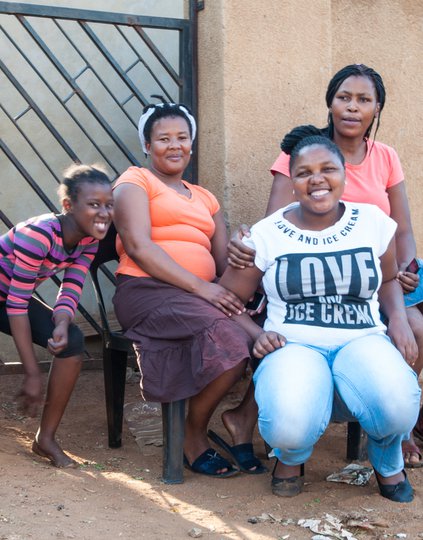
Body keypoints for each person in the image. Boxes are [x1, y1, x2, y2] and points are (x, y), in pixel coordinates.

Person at [228, 64, 423, 468]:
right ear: (330, 103)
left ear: (377, 108)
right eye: (343, 97)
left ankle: (394, 431)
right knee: (302, 327)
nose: (352, 108)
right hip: (310, 272)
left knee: (415, 326)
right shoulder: (303, 150)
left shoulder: (385, 157)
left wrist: (406, 270)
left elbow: (401, 228)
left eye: (363, 100)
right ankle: (255, 418)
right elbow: (276, 225)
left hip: (375, 274)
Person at [112, 102, 265, 478]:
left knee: (268, 333)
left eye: (182, 137)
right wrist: (204, 288)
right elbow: (138, 246)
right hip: (147, 291)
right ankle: (191, 435)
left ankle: (231, 418)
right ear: (147, 146)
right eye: (163, 138)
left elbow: (224, 266)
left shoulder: (206, 198)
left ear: (192, 145)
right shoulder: (134, 181)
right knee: (232, 338)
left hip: (201, 296)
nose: (175, 145)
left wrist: (244, 249)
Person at [0, 163, 114, 468]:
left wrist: (62, 322)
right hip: (10, 300)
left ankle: (45, 439)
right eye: (93, 205)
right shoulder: (39, 235)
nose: (104, 213)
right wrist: (33, 372)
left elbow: (72, 284)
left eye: (108, 205)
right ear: (68, 205)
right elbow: (17, 305)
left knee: (73, 341)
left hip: (7, 299)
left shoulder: (90, 238)